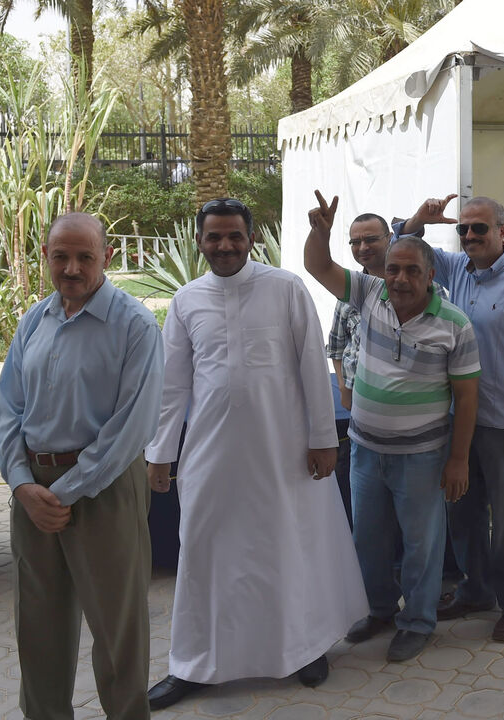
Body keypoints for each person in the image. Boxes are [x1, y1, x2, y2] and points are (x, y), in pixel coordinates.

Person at [144, 198, 365, 709]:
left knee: (287, 545)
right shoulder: (186, 300)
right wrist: (160, 452)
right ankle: (194, 664)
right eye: (214, 237)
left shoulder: (285, 288)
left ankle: (304, 647)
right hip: (209, 454)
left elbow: (314, 366)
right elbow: (172, 384)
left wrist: (323, 439)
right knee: (203, 552)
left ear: (251, 238)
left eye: (234, 236)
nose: (224, 246)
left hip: (283, 451)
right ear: (199, 241)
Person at [0, 213, 163, 720]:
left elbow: (132, 427)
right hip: (33, 491)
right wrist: (23, 485)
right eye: (60, 256)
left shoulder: (134, 325)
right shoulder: (34, 320)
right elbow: (9, 411)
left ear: (107, 258)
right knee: (39, 626)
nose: (71, 268)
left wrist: (63, 493)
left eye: (84, 257)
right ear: (45, 256)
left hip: (104, 487)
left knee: (118, 629)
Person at [304, 191, 481, 661]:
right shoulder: (369, 295)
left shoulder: (454, 325)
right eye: (393, 269)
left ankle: (418, 621)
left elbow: (467, 397)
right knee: (369, 537)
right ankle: (379, 608)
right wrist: (320, 233)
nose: (400, 279)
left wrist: (458, 459)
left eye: (411, 271)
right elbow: (317, 266)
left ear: (430, 275)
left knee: (422, 544)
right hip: (366, 450)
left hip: (423, 457)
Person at [396, 193, 504, 641]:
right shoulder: (453, 270)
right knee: (462, 513)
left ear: (503, 232)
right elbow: (404, 248)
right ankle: (476, 591)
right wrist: (420, 217)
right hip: (457, 420)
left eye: (479, 229)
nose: (469, 236)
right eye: (463, 229)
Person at [328, 213, 392, 411]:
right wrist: (342, 386)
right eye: (355, 242)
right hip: (359, 406)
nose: (363, 247)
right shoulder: (347, 292)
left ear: (389, 238)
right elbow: (336, 346)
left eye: (371, 239)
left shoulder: (419, 287)